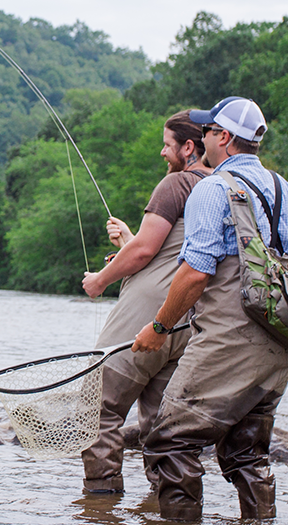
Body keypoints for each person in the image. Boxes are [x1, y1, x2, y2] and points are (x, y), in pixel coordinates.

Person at [131, 96, 288, 521]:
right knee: (246, 453)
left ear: (225, 138)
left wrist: (159, 328)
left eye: (207, 131)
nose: (201, 138)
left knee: (169, 441)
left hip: (228, 342)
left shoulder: (212, 188)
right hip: (280, 345)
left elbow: (195, 274)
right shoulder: (285, 190)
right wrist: (268, 293)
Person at [77, 110, 209, 495]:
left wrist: (99, 281)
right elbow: (171, 252)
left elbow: (144, 253)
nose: (162, 152)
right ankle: (169, 507)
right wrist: (129, 239)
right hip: (188, 322)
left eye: (167, 144)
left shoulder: (175, 185)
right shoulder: (220, 189)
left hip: (147, 317)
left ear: (188, 147)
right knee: (162, 424)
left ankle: (101, 506)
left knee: (96, 408)